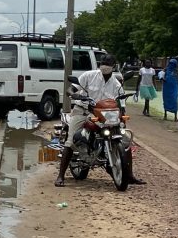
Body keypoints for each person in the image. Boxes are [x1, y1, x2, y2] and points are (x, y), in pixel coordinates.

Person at [55, 54, 142, 187]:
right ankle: (60, 176)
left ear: (114, 66)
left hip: (105, 115)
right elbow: (70, 89)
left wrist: (122, 121)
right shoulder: (88, 76)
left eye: (108, 63)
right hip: (83, 111)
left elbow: (121, 105)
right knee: (71, 140)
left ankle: (129, 175)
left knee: (125, 141)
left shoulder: (116, 84)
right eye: (103, 63)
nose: (105, 66)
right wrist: (73, 94)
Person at [162, 57, 178, 121]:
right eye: (171, 63)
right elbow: (161, 75)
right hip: (166, 88)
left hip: (174, 88)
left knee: (175, 101)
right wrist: (162, 78)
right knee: (166, 100)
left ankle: (175, 117)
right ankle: (165, 115)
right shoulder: (166, 70)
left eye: (173, 64)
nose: (172, 65)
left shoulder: (176, 71)